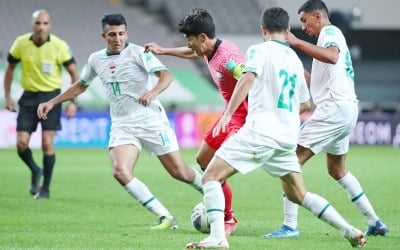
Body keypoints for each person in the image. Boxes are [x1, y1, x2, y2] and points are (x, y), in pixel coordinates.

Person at [186, 7, 366, 249]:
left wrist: (229, 113)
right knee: (299, 194)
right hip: (286, 137)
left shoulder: (258, 51)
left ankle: (217, 237)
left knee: (210, 175)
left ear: (263, 30)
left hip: (260, 132)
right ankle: (349, 229)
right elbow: (305, 103)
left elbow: (247, 78)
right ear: (288, 30)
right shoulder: (294, 60)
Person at [37, 13, 203, 229]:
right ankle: (165, 217)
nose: (117, 39)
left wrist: (152, 92)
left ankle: (213, 191)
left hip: (150, 120)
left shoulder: (139, 53)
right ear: (103, 35)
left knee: (180, 173)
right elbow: (81, 85)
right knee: (121, 172)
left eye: (121, 34)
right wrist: (53, 102)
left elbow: (166, 76)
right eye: (112, 35)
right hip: (123, 125)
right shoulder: (96, 59)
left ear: (127, 33)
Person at [265, 0, 389, 238]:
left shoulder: (330, 33)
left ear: (318, 17)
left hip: (333, 109)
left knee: (290, 160)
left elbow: (331, 57)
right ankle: (375, 222)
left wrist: (296, 42)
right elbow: (321, 78)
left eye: (304, 20)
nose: (303, 27)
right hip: (345, 108)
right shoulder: (326, 39)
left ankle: (290, 225)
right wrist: (291, 61)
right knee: (337, 169)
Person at [145, 8, 246, 236]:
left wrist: (237, 105)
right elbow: (193, 53)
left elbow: (247, 76)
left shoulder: (228, 55)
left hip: (244, 116)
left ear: (202, 37)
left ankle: (227, 218)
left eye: (190, 40)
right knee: (203, 160)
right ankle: (225, 212)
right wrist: (164, 51)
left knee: (215, 172)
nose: (189, 45)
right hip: (230, 114)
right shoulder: (208, 49)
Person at [3, 9, 79, 199]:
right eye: (38, 23)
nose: (41, 27)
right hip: (28, 98)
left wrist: (72, 102)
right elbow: (10, 69)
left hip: (51, 98)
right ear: (32, 25)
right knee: (21, 143)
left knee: (47, 143)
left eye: (45, 23)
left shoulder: (59, 46)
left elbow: (74, 74)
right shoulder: (20, 43)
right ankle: (35, 169)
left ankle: (45, 189)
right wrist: (8, 96)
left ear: (50, 25)